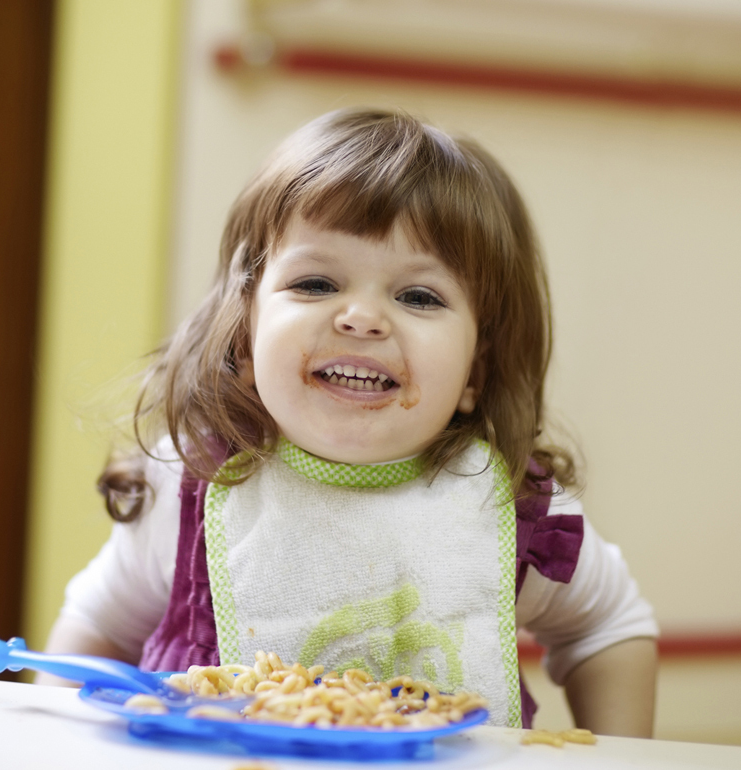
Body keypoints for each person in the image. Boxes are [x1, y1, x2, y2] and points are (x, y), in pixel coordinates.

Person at [38, 108, 658, 736]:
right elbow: (100, 627)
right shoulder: (192, 483)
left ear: (477, 368)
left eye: (419, 296)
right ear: (245, 336)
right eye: (314, 283)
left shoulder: (512, 508)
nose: (362, 318)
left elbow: (611, 626)